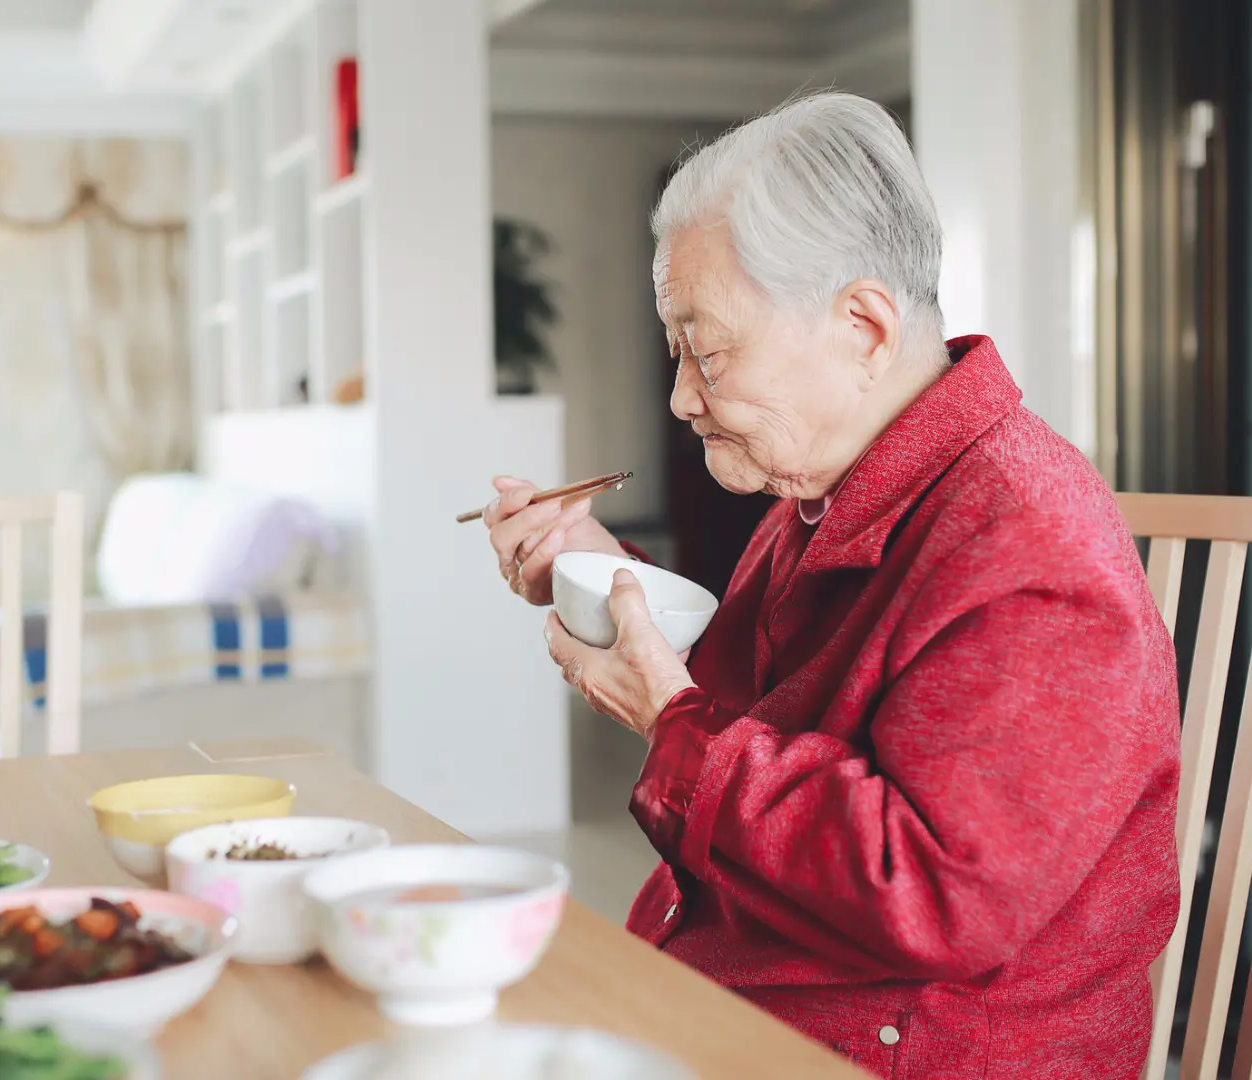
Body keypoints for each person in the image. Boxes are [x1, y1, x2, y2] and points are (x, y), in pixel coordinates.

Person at [481, 92, 1180, 1079]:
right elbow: (761, 700)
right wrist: (595, 571)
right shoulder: (836, 489)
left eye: (708, 351)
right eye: (675, 350)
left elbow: (940, 896)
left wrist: (672, 724)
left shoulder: (1031, 550)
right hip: (765, 996)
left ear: (862, 326)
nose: (682, 396)